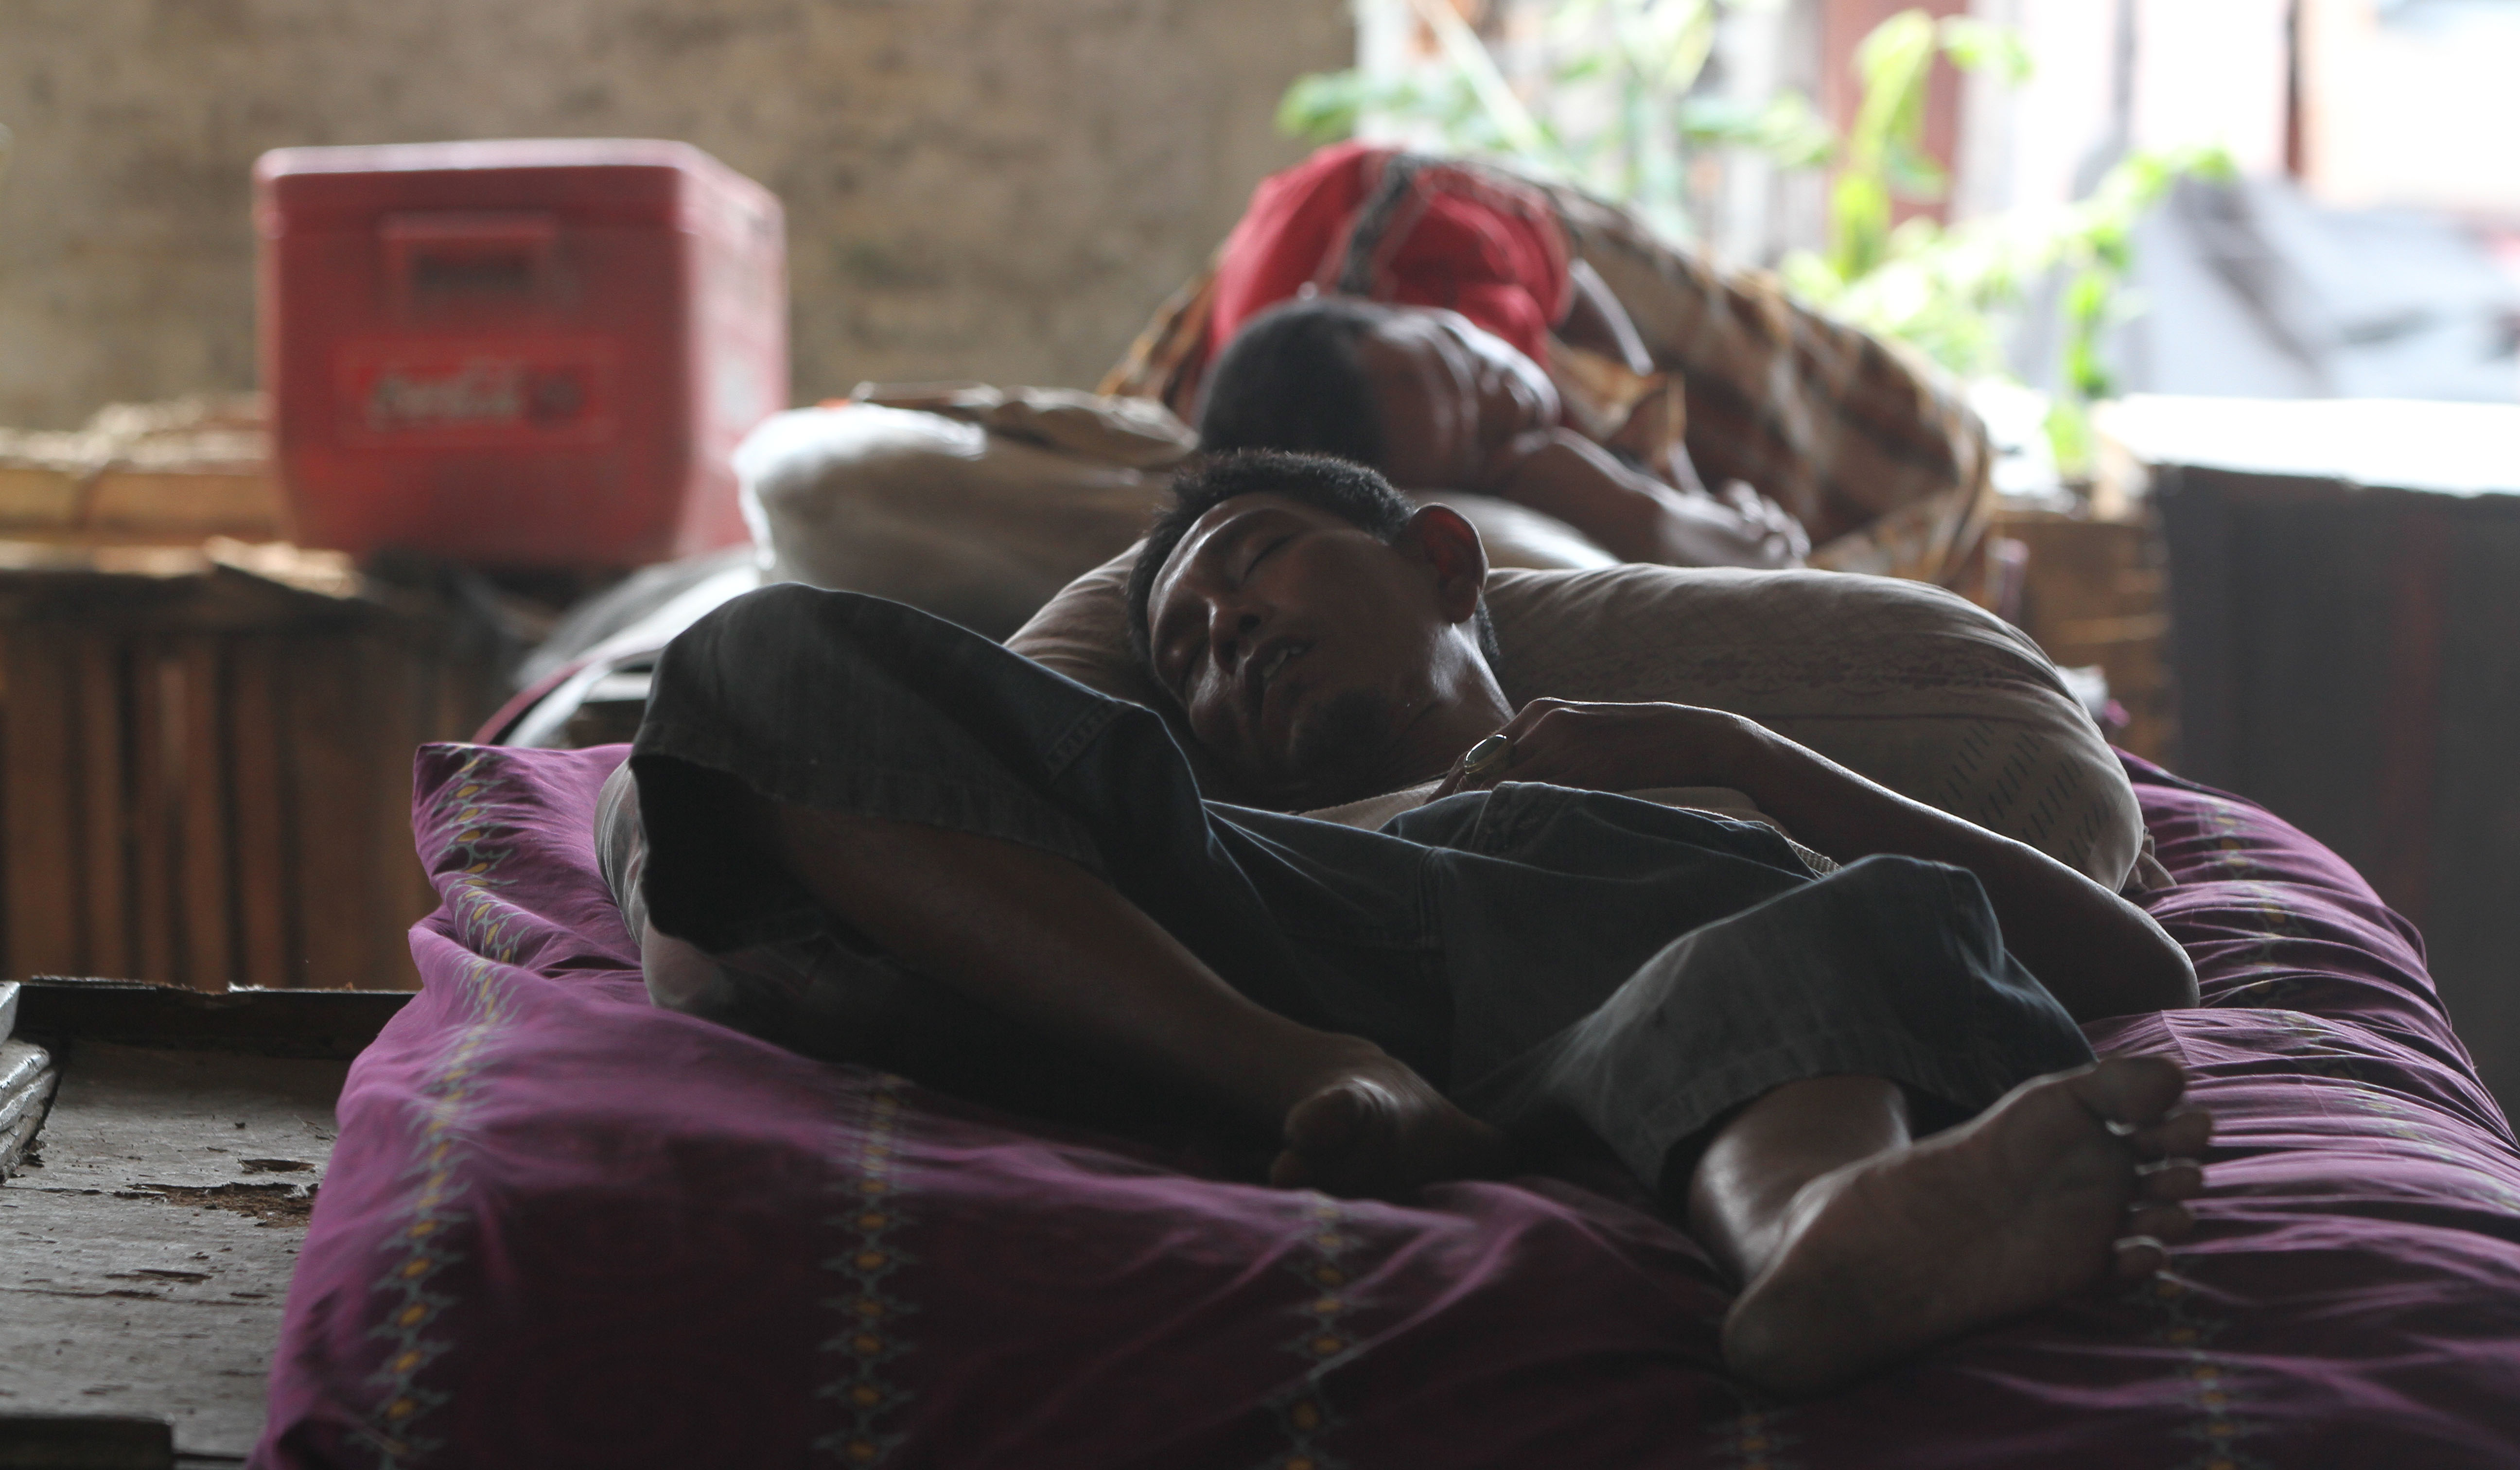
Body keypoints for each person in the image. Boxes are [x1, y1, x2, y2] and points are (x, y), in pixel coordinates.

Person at [602, 450, 2208, 1397]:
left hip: (1643, 983)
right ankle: (1298, 1067)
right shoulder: (1220, 836)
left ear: (1442, 560)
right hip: (1290, 938)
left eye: (1252, 566)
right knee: (749, 664)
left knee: (1831, 918)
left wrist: (1731, 754)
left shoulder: (1708, 803)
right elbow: (789, 732)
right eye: (1186, 658)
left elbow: (2142, 967)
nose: (1219, 631)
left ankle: (1820, 1235)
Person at [1189, 141, 1806, 570]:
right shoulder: (1460, 463)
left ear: (1400, 311)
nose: (1511, 402)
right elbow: (1735, 562)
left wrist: (1680, 483)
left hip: (1567, 278)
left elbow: (1571, 275)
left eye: (1463, 363)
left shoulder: (1418, 227)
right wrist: (1636, 508)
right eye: (1482, 442)